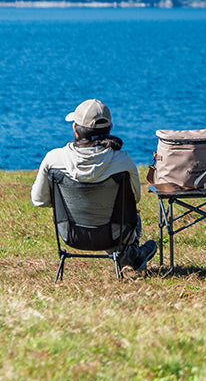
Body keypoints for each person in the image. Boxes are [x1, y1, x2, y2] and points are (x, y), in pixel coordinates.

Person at [31, 98, 157, 272]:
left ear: (76, 129)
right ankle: (131, 257)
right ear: (109, 129)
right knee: (131, 216)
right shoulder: (122, 161)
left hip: (71, 234)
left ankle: (131, 258)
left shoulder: (53, 159)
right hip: (113, 235)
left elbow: (38, 200)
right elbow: (134, 198)